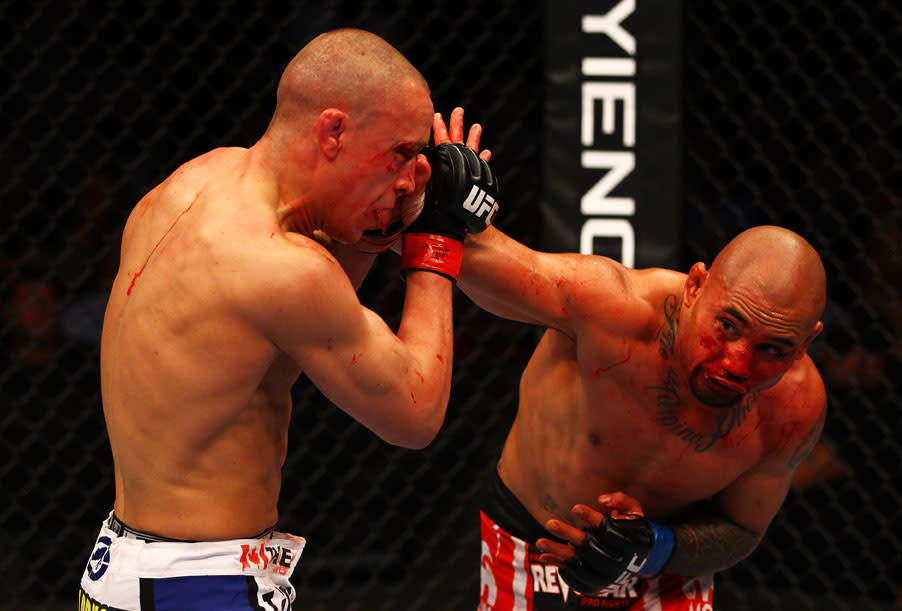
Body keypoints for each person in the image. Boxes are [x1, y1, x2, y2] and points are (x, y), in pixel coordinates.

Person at [77, 29, 499, 610]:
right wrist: (437, 238)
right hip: (199, 586)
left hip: (128, 567)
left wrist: (384, 219)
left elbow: (297, 329)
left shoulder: (195, 182)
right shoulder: (279, 266)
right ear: (333, 131)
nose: (408, 178)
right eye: (400, 153)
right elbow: (416, 412)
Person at [437, 110, 827, 611]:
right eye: (726, 326)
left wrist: (658, 549)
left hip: (667, 573)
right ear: (694, 287)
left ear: (807, 343)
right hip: (530, 544)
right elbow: (478, 258)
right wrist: (449, 197)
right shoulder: (614, 308)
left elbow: (743, 529)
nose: (736, 363)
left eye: (772, 349)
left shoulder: (795, 407)